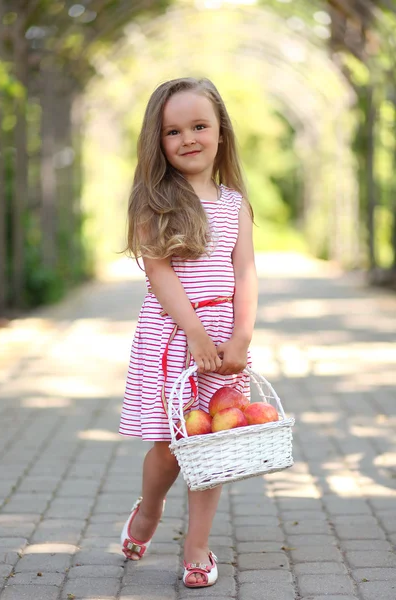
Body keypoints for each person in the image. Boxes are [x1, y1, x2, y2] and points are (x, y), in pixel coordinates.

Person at [118, 77, 258, 588]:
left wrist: (240, 336)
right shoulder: (155, 202)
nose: (188, 138)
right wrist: (195, 335)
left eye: (199, 125)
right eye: (173, 131)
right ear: (159, 142)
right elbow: (160, 274)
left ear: (221, 131)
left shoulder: (234, 202)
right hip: (175, 337)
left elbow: (245, 272)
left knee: (213, 445)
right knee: (170, 446)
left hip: (223, 338)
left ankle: (196, 547)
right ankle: (150, 508)